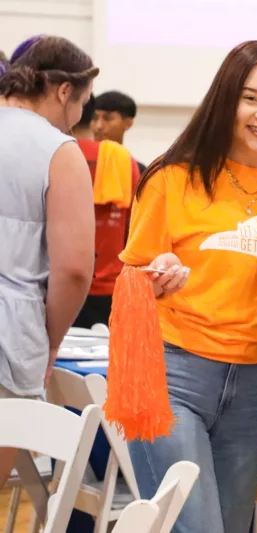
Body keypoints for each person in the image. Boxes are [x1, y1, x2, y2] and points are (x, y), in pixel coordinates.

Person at [119, 41, 257, 533]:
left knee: (231, 526)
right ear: (225, 98)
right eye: (250, 98)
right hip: (174, 376)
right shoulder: (171, 177)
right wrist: (156, 275)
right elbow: (131, 279)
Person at [0, 35, 96, 487]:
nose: (78, 118)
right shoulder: (57, 150)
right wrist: (51, 339)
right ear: (64, 91)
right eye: (83, 103)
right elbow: (75, 268)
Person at [71, 95, 141, 328]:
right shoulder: (124, 160)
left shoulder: (54, 154)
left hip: (57, 284)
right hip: (111, 284)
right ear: (92, 118)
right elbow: (135, 227)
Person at [92, 90, 148, 174]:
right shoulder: (81, 162)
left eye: (107, 118)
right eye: (94, 118)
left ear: (128, 123)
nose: (98, 126)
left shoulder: (136, 170)